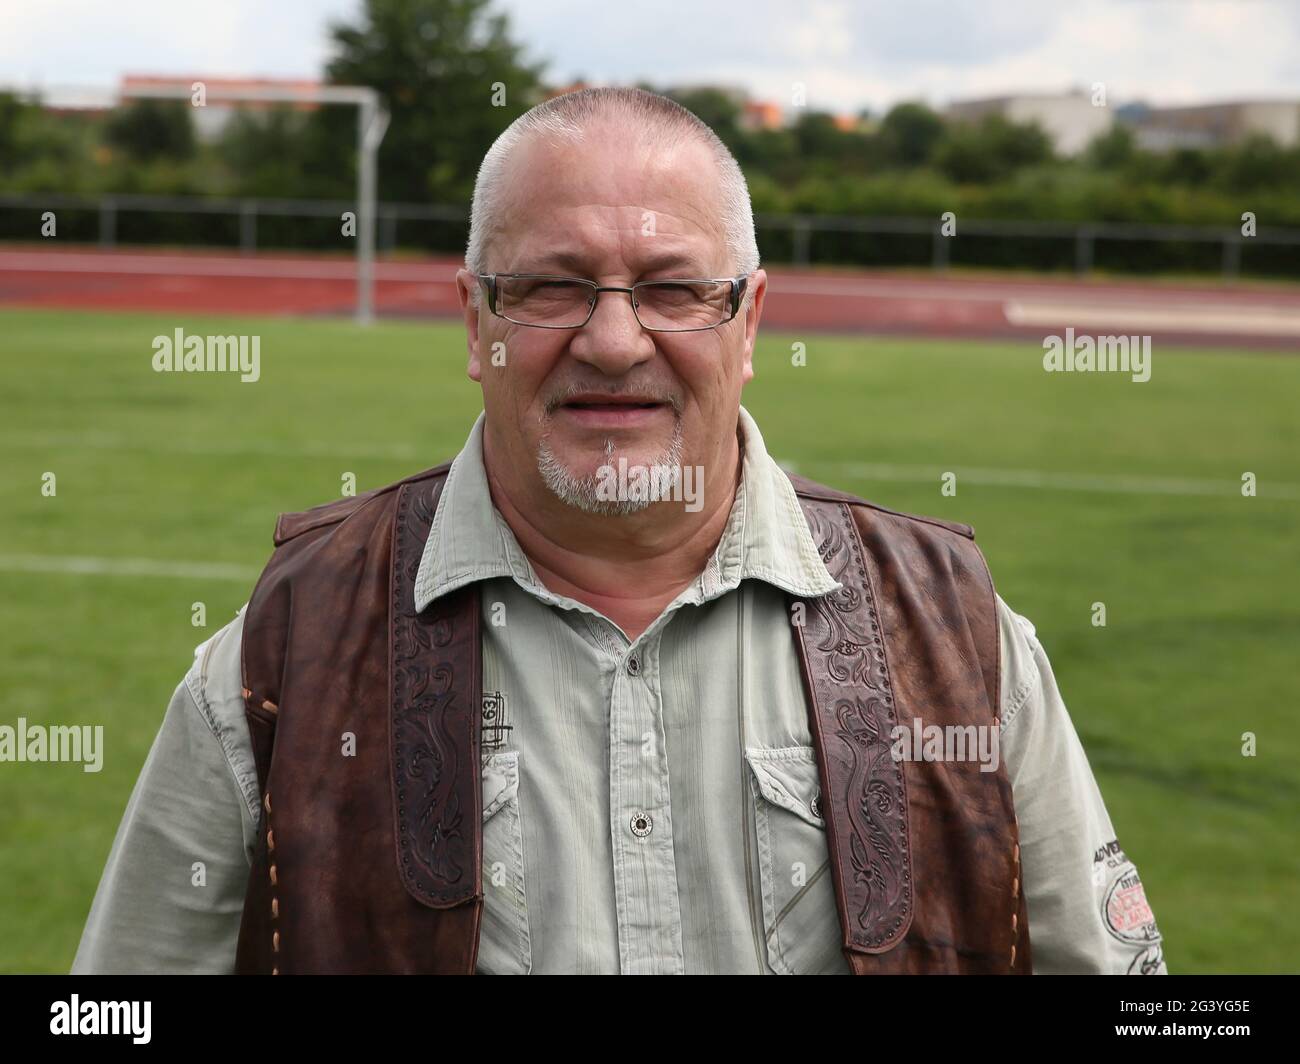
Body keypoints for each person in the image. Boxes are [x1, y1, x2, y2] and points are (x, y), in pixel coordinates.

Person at [72, 86, 1164, 975]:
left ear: (748, 323)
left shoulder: (961, 639)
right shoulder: (280, 657)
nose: (610, 338)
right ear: (474, 321)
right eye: (551, 286)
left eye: (673, 288)